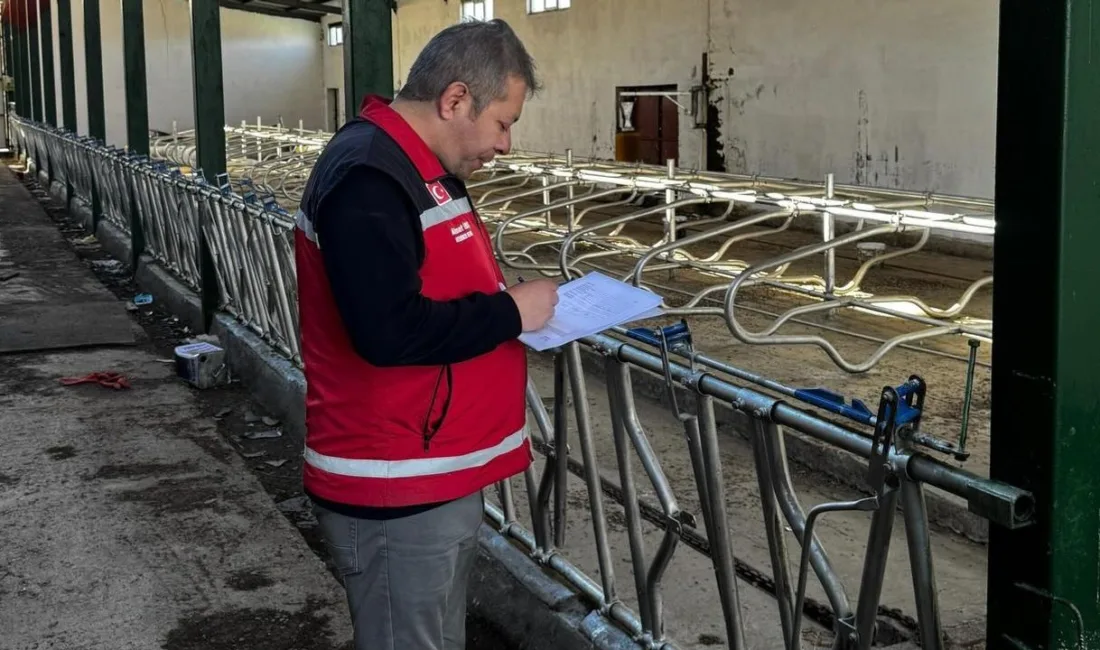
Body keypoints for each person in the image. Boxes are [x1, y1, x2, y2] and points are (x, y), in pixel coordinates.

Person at [292, 17, 559, 650]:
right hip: (392, 478)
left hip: (429, 467)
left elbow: (430, 281)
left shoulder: (416, 166)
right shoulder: (368, 178)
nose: (507, 145)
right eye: (503, 122)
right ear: (456, 100)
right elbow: (387, 330)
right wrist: (511, 314)